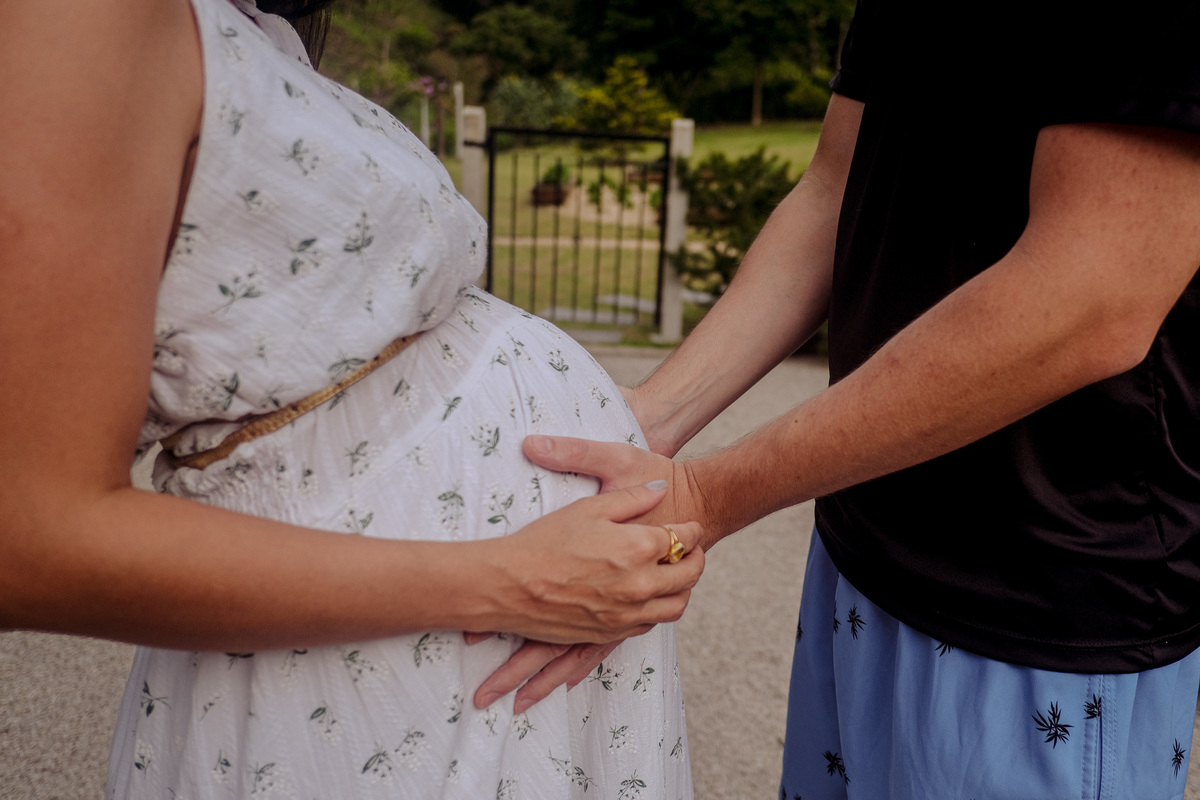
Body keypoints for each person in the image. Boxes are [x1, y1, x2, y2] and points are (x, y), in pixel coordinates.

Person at [490, 1, 1200, 797]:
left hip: (1043, 609)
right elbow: (835, 192)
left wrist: (705, 498)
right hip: (857, 555)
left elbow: (1092, 299)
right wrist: (650, 419)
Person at [0, 1, 704, 798]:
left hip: (511, 618)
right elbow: (27, 539)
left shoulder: (242, 22)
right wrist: (505, 581)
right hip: (411, 633)